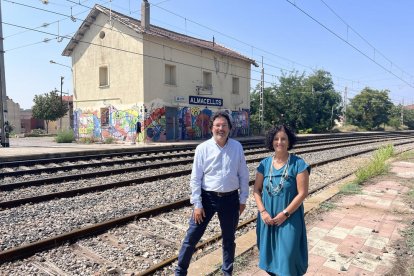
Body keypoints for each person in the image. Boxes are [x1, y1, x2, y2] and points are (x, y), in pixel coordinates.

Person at [175, 111, 250, 276]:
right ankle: (180, 271)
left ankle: (227, 272)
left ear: (229, 128)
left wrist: (243, 198)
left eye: (224, 125)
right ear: (212, 128)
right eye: (217, 125)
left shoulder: (237, 147)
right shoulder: (202, 148)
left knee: (229, 240)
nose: (220, 128)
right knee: (192, 237)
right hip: (207, 198)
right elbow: (195, 178)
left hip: (230, 199)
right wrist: (197, 203)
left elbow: (243, 174)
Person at [253, 125, 310, 276]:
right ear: (271, 142)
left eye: (283, 139)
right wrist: (263, 212)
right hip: (268, 219)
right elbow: (256, 190)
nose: (280, 142)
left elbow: (303, 193)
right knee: (270, 259)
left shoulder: (298, 164)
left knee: (288, 257)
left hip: (289, 218)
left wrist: (285, 214)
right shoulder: (264, 165)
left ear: (289, 141)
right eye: (276, 139)